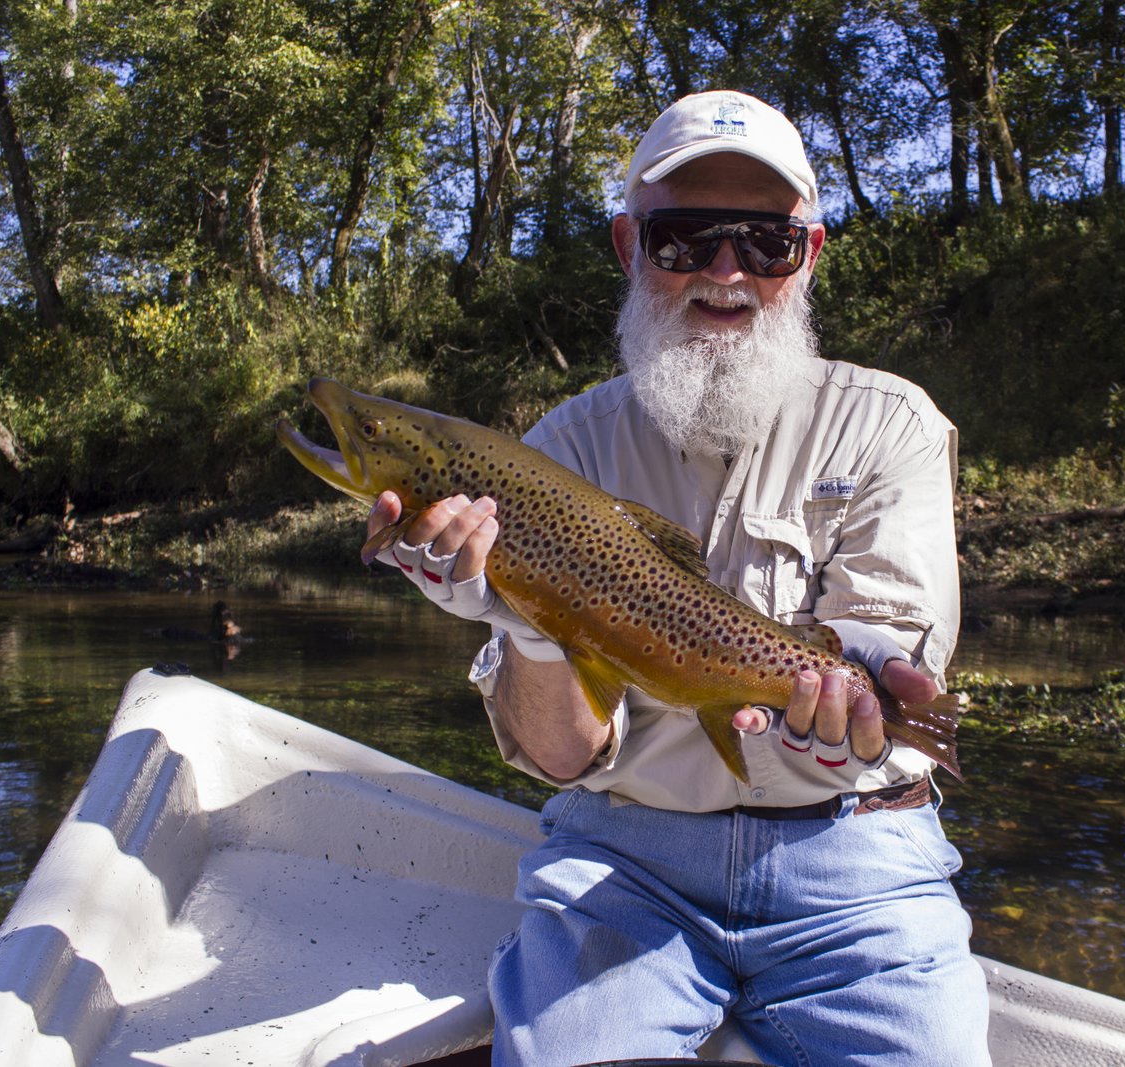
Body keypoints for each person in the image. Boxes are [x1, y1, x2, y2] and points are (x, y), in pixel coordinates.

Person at [367, 90, 990, 1066]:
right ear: (628, 246)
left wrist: (857, 697)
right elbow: (561, 754)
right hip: (623, 859)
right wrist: (529, 624)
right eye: (684, 239)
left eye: (765, 243)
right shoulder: (555, 453)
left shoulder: (888, 425)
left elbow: (884, 647)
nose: (726, 272)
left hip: (857, 858)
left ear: (810, 253)